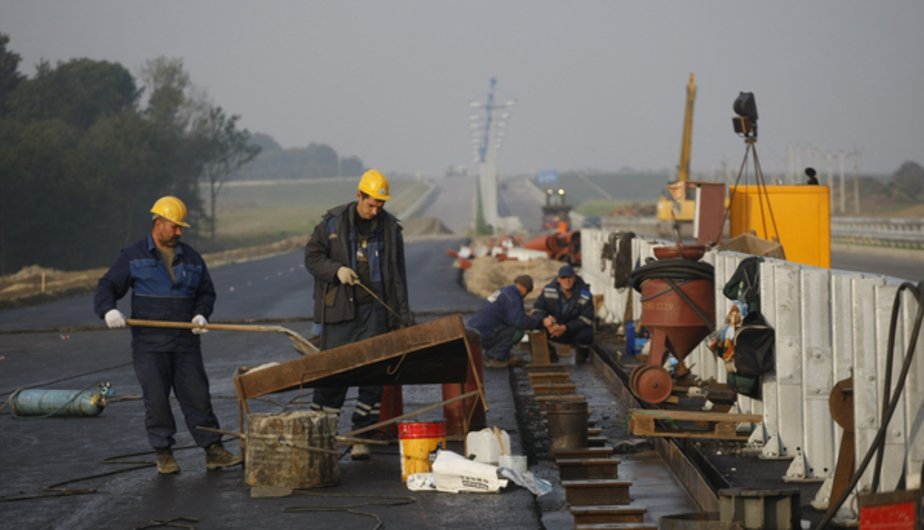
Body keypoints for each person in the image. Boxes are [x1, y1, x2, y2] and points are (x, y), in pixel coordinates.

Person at [94, 196, 242, 475]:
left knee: (198, 398)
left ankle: (214, 451)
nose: (179, 232)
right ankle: (164, 454)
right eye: (174, 227)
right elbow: (107, 286)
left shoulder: (193, 258)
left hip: (186, 344)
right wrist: (108, 311)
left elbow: (206, 293)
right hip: (150, 346)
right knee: (157, 401)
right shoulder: (133, 256)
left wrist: (201, 314)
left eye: (180, 227)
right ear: (158, 224)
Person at [305, 169, 411, 460]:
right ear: (359, 195)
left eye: (380, 205)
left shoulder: (390, 229)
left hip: (375, 315)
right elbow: (312, 258)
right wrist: (335, 270)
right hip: (340, 312)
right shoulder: (332, 225)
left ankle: (361, 436)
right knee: (334, 374)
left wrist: (402, 319)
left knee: (373, 377)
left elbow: (398, 278)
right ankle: (323, 433)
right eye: (370, 204)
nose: (374, 210)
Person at [468, 275, 553, 368]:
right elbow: (519, 321)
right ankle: (493, 357)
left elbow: (510, 315)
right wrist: (541, 323)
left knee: (512, 326)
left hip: (476, 331)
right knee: (517, 331)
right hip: (483, 335)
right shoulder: (514, 297)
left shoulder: (505, 291)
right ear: (525, 289)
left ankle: (497, 352)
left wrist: (527, 317)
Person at [533, 265, 595, 362]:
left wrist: (566, 327)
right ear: (558, 279)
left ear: (574, 278)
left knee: (587, 334)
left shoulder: (584, 294)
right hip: (553, 330)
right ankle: (550, 354)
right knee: (534, 327)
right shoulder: (548, 290)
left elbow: (587, 319)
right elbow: (537, 309)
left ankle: (582, 358)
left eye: (569, 277)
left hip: (572, 331)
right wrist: (547, 323)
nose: (567, 281)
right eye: (563, 278)